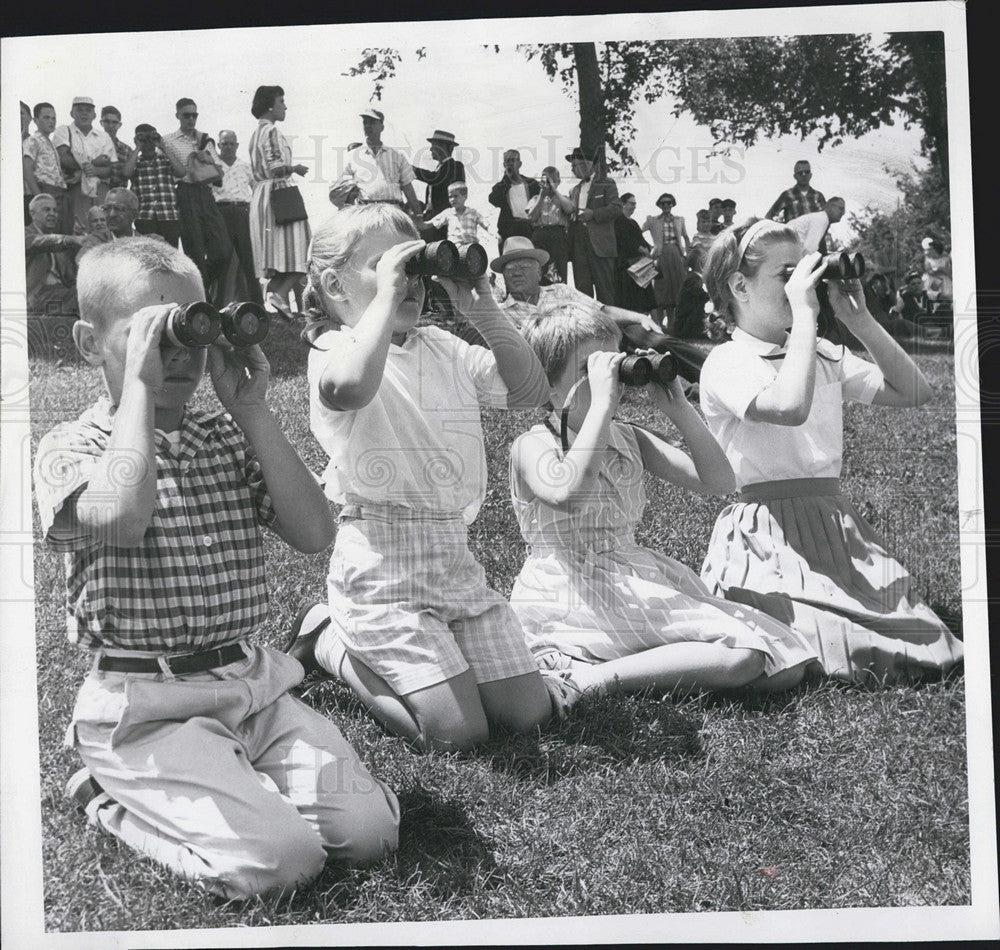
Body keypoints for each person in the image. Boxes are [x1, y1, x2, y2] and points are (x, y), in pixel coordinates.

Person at [34, 237, 399, 900]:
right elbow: (123, 516)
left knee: (371, 835)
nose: (178, 354)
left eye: (190, 330)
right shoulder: (70, 444)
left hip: (251, 687)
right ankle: (107, 793)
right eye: (152, 334)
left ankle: (230, 781)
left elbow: (314, 533)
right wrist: (141, 391)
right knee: (282, 865)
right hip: (147, 707)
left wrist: (253, 410)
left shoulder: (223, 437)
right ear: (91, 344)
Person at [283, 204, 558, 751]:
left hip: (453, 555)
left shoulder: (444, 348)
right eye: (388, 267)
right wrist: (386, 298)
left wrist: (483, 309)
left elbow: (529, 391)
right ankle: (328, 642)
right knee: (458, 734)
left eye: (415, 269)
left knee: (528, 716)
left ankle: (430, 657)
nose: (408, 282)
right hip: (382, 564)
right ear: (335, 285)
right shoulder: (335, 348)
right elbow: (349, 390)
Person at [507, 304, 817, 713]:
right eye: (590, 370)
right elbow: (569, 493)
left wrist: (679, 409)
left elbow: (719, 481)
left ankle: (611, 664)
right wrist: (600, 405)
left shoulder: (629, 438)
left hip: (627, 575)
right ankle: (587, 679)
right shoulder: (533, 445)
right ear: (544, 387)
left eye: (615, 366)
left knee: (785, 667)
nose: (609, 382)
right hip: (567, 591)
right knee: (746, 656)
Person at [697, 218, 964, 683]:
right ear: (739, 286)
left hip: (835, 524)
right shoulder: (726, 361)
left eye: (807, 271)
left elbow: (915, 391)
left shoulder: (818, 351)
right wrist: (805, 318)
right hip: (767, 534)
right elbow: (788, 406)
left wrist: (859, 320)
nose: (805, 284)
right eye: (787, 275)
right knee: (837, 638)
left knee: (919, 632)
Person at [490, 236, 664, 348]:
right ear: (503, 276)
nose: (516, 273)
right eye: (510, 269)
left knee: (641, 332)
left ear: (538, 272)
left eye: (523, 266)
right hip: (564, 365)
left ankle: (687, 378)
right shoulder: (501, 313)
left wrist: (640, 317)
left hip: (597, 348)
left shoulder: (560, 291)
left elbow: (601, 310)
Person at [161, 97, 233, 307]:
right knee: (194, 250)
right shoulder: (168, 141)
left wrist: (208, 159)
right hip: (184, 193)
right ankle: (203, 303)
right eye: (186, 115)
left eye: (194, 115)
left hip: (206, 193)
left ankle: (199, 286)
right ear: (178, 116)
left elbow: (219, 172)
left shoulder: (206, 140)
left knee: (223, 249)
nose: (191, 119)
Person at [247, 86, 312, 316]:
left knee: (280, 252)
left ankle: (277, 295)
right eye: (281, 101)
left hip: (262, 196)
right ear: (270, 105)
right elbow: (275, 167)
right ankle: (279, 293)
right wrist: (295, 168)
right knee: (303, 249)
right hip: (278, 195)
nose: (285, 106)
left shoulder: (256, 134)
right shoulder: (271, 132)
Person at [328, 108, 422, 215]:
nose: (367, 126)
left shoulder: (397, 156)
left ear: (382, 127)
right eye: (365, 123)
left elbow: (408, 188)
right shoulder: (352, 156)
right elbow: (336, 189)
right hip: (365, 214)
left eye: (372, 122)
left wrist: (419, 215)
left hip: (393, 213)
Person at [566, 146, 622, 306]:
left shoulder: (606, 184)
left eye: (574, 165)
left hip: (600, 245)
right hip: (579, 244)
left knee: (606, 291)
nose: (572, 170)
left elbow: (616, 208)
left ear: (586, 165)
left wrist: (594, 214)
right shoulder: (574, 190)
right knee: (582, 292)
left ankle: (610, 328)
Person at [214, 129, 264, 306]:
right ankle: (217, 307)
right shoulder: (213, 165)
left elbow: (257, 189)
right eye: (224, 143)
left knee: (249, 261)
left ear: (237, 145)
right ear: (218, 145)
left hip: (243, 213)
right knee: (222, 260)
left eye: (231, 143)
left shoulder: (245, 166)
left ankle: (258, 306)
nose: (228, 147)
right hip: (221, 212)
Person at [52, 96, 117, 231]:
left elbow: (110, 167)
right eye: (79, 110)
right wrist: (93, 163)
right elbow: (63, 157)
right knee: (78, 230)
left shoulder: (103, 136)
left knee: (103, 230)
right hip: (75, 188)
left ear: (94, 115)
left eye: (88, 110)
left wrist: (95, 170)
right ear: (72, 113)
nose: (84, 113)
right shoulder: (64, 131)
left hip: (100, 189)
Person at [24, 193, 83, 314]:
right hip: (36, 298)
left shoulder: (59, 244)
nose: (52, 213)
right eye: (47, 210)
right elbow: (40, 242)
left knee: (89, 292)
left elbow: (70, 278)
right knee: (79, 297)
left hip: (60, 294)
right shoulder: (24, 234)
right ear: (32, 213)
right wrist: (70, 239)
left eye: (55, 210)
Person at [126, 124, 182, 247]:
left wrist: (163, 147)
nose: (148, 143)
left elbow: (181, 172)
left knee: (171, 254)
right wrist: (137, 148)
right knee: (148, 253)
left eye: (151, 139)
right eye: (143, 140)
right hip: (145, 215)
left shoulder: (165, 159)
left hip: (169, 215)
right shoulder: (135, 162)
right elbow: (126, 173)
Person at [23, 102, 70, 234]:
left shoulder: (51, 143)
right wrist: (39, 196)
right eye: (46, 117)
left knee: (60, 231)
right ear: (36, 120)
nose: (51, 121)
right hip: (44, 190)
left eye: (53, 118)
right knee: (48, 232)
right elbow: (27, 170)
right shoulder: (33, 140)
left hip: (59, 192)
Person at [643, 192, 690, 325]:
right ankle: (658, 324)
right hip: (660, 257)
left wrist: (687, 254)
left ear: (672, 204)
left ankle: (672, 324)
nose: (666, 205)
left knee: (677, 290)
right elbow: (636, 232)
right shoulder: (653, 220)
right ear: (659, 205)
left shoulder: (679, 219)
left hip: (676, 255)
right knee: (661, 290)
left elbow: (686, 237)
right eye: (663, 203)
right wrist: (648, 248)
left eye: (669, 203)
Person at [526, 166, 573, 283]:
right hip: (540, 234)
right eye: (545, 180)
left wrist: (554, 190)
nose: (548, 183)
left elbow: (569, 209)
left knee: (559, 273)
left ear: (558, 181)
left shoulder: (563, 198)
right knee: (540, 270)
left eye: (552, 179)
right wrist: (542, 195)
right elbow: (531, 217)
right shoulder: (535, 199)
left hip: (558, 235)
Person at [488, 149, 540, 254]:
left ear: (520, 164)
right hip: (509, 230)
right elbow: (494, 200)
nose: (510, 164)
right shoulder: (501, 186)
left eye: (513, 160)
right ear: (504, 164)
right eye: (507, 161)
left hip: (528, 229)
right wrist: (506, 179)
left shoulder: (531, 184)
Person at [613, 192, 656, 314]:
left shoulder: (633, 222)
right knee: (630, 301)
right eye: (632, 204)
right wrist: (641, 249)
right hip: (627, 265)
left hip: (640, 264)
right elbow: (624, 241)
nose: (634, 207)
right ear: (623, 204)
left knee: (644, 300)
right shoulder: (618, 220)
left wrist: (647, 248)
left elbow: (641, 239)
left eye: (635, 204)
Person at [412, 129, 465, 221]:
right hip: (433, 219)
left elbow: (435, 178)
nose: (431, 149)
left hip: (445, 222)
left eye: (434, 146)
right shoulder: (440, 169)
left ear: (443, 147)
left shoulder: (455, 166)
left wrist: (411, 169)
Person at [427, 182, 490, 248]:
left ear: (465, 197)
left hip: (471, 247)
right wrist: (419, 222)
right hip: (454, 247)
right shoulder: (448, 213)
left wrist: (495, 234)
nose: (452, 199)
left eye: (456, 196)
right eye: (450, 197)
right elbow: (431, 223)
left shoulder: (473, 213)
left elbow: (486, 224)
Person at [99, 106, 133, 189]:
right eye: (107, 121)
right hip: (97, 195)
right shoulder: (93, 145)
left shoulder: (127, 150)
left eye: (114, 122)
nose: (111, 125)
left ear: (119, 125)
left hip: (119, 197)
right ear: (101, 123)